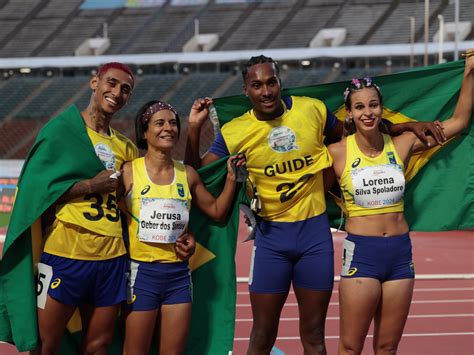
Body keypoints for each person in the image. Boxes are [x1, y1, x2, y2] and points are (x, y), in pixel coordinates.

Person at [184, 55, 446, 354]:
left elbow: (357, 132)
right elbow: (195, 176)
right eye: (257, 85)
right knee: (262, 333)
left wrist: (407, 126)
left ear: (280, 82)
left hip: (314, 239)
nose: (266, 91)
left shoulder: (313, 109)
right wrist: (194, 129)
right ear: (246, 90)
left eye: (271, 82)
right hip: (270, 240)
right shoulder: (234, 132)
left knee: (313, 335)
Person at [328, 51, 473, 355]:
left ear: (382, 109)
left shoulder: (403, 144)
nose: (367, 112)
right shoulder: (336, 153)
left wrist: (470, 71)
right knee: (350, 347)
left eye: (373, 105)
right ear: (349, 114)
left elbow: (458, 122)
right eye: (359, 107)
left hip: (398, 254)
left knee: (388, 347)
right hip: (362, 255)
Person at [34, 62, 143, 355]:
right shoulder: (62, 132)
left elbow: (138, 202)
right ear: (94, 83)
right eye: (111, 83)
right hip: (65, 254)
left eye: (125, 90)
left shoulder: (126, 148)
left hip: (111, 259)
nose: (116, 92)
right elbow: (39, 192)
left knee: (99, 346)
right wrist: (91, 186)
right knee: (45, 345)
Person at [121, 99, 245, 355]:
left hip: (178, 276)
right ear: (144, 132)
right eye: (159, 123)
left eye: (173, 123)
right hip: (140, 274)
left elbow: (217, 212)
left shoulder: (187, 174)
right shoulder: (128, 173)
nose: (168, 128)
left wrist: (232, 179)